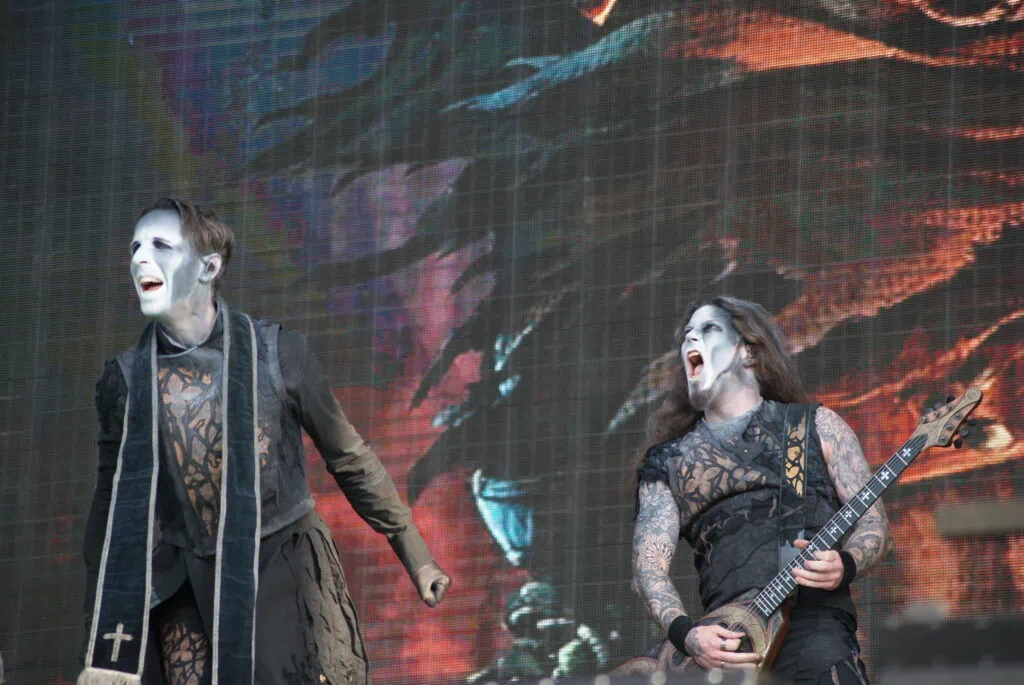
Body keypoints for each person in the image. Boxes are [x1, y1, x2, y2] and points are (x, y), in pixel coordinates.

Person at [79, 198, 451, 685]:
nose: (139, 259)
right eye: (135, 247)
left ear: (209, 267)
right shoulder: (125, 380)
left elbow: (348, 456)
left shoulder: (279, 354)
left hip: (281, 571)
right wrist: (101, 630)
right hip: (185, 580)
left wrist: (415, 553)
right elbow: (110, 508)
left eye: (161, 246)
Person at [625, 296, 890, 684]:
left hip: (814, 630)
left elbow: (874, 525)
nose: (690, 340)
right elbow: (649, 565)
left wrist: (844, 564)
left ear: (748, 351)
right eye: (687, 335)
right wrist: (686, 634)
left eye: (708, 329)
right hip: (729, 645)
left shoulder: (817, 426)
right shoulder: (669, 461)